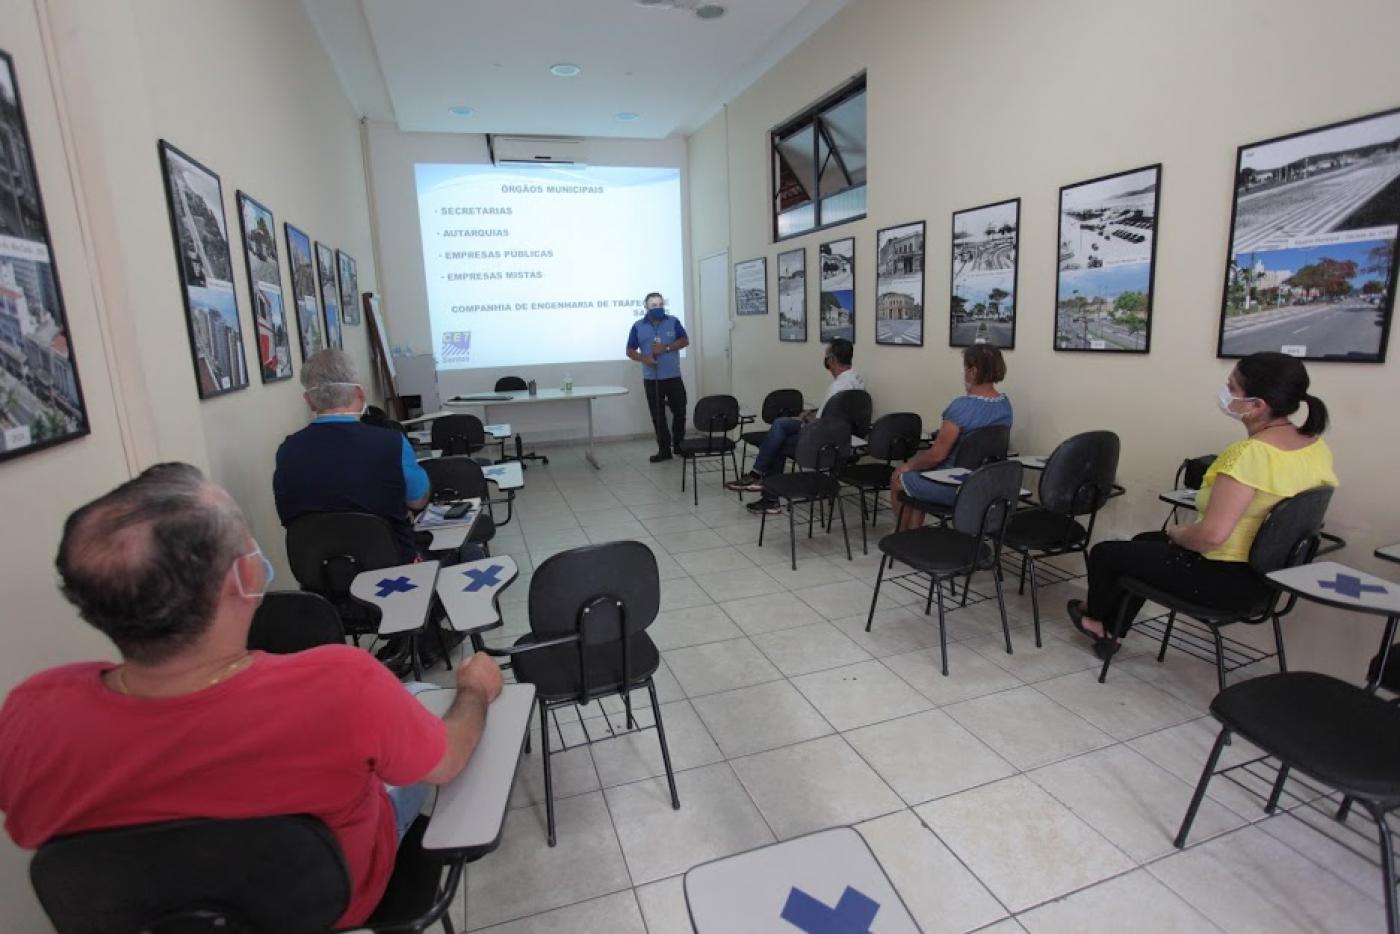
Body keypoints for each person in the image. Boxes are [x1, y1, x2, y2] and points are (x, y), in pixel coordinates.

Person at [0, 464, 504, 929]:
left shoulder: (30, 712)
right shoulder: (342, 683)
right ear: (244, 577)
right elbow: (447, 761)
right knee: (415, 701)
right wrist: (474, 691)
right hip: (332, 906)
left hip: (145, 920)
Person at [1068, 352, 1338, 658]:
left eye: (1232, 388)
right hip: (1268, 580)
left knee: (1105, 554)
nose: (1225, 394)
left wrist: (1177, 532)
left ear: (1257, 405)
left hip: (1222, 578)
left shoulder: (1250, 455)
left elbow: (1210, 537)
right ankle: (1111, 629)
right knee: (1143, 543)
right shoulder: (1315, 448)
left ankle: (1098, 620)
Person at [275, 349, 429, 563]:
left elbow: (290, 517)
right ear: (359, 394)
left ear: (309, 401)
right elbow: (418, 501)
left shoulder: (287, 451)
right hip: (393, 577)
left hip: (320, 579)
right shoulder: (392, 444)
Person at [726, 338, 865, 515]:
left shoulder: (838, 387)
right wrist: (808, 414)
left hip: (823, 441)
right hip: (842, 436)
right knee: (780, 424)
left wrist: (806, 418)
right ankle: (757, 476)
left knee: (779, 442)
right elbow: (834, 414)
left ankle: (767, 494)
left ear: (832, 360)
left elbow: (821, 423)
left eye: (826, 356)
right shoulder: (856, 380)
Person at [890, 344, 1013, 530]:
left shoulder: (961, 407)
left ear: (973, 371)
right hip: (984, 485)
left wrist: (908, 466)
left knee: (899, 477)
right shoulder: (1005, 406)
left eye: (965, 369)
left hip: (952, 485)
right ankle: (915, 536)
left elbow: (936, 456)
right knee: (916, 477)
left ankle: (902, 535)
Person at [627, 292, 690, 463]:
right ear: (646, 307)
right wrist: (643, 358)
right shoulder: (638, 326)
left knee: (680, 411)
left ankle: (679, 445)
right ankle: (664, 450)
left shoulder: (673, 321)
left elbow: (684, 340)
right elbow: (630, 350)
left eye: (660, 304)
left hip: (673, 376)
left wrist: (666, 348)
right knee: (658, 415)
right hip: (652, 379)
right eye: (653, 305)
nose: (658, 307)